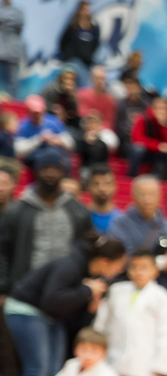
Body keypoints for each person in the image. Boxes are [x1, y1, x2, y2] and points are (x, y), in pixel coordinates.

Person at [4, 236, 127, 376]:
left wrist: (90, 309)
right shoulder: (69, 265)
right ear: (104, 261)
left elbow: (75, 321)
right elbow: (51, 300)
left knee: (55, 372)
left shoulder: (92, 276)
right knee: (37, 369)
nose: (121, 270)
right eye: (120, 264)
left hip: (53, 317)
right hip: (27, 310)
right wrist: (86, 290)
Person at [0, 148, 93, 296]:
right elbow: (3, 253)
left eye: (55, 168)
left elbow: (87, 251)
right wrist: (3, 289)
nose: (50, 173)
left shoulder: (78, 211)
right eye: (45, 168)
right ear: (36, 171)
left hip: (66, 291)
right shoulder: (16, 211)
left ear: (63, 172)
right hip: (24, 291)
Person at [106, 176, 167, 300]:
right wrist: (160, 263)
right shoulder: (120, 223)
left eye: (152, 194)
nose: (147, 200)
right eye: (142, 195)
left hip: (161, 296)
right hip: (128, 293)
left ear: (160, 196)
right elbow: (118, 261)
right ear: (133, 196)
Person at [15, 95, 74, 167]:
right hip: (34, 158)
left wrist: (57, 140)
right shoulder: (23, 125)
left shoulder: (54, 121)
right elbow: (18, 150)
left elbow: (70, 143)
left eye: (39, 112)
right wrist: (38, 139)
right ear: (28, 111)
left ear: (44, 110)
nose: (37, 115)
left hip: (55, 155)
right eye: (34, 112)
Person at [129, 98, 167, 181]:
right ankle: (131, 177)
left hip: (161, 154)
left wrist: (163, 125)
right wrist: (159, 146)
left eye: (164, 109)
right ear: (152, 109)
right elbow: (137, 139)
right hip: (146, 152)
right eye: (158, 108)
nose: (161, 111)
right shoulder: (142, 119)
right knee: (137, 149)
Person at [58, 1, 99, 87]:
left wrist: (89, 56)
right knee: (79, 81)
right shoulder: (73, 26)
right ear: (79, 10)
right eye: (84, 9)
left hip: (87, 62)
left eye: (88, 10)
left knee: (88, 83)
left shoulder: (93, 28)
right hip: (74, 60)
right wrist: (68, 56)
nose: (86, 12)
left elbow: (96, 44)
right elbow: (63, 42)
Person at [0, 0, 24, 97]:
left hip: (13, 52)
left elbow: (19, 22)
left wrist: (3, 20)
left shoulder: (18, 11)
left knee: (12, 85)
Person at [114, 75, 149, 155]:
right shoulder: (121, 105)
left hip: (142, 136)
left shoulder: (146, 105)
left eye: (134, 87)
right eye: (129, 88)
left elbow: (149, 123)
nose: (132, 90)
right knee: (137, 149)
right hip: (127, 138)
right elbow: (118, 125)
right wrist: (131, 132)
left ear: (139, 88)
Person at [41, 67, 80, 131]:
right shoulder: (50, 88)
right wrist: (53, 108)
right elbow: (42, 104)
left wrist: (71, 96)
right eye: (66, 78)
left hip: (67, 123)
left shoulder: (74, 92)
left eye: (71, 79)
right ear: (61, 78)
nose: (68, 81)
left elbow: (75, 112)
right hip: (50, 118)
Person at [85, 165, 120, 235]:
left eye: (107, 183)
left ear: (114, 187)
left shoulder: (121, 220)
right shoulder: (82, 217)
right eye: (96, 184)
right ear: (89, 187)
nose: (102, 189)